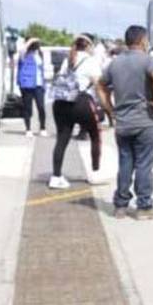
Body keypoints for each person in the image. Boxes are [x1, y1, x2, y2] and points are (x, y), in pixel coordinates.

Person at [96, 26, 153, 218]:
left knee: (125, 162)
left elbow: (100, 85)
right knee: (144, 164)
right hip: (145, 120)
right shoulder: (148, 60)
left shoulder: (114, 63)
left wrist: (110, 110)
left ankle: (121, 204)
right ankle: (144, 206)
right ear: (143, 40)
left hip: (123, 122)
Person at [48, 35, 104, 190]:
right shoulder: (91, 61)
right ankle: (94, 173)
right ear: (88, 46)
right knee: (95, 135)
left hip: (61, 102)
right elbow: (98, 85)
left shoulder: (68, 59)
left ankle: (56, 176)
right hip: (81, 102)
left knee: (62, 139)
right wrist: (102, 106)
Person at [17, 38, 48, 137]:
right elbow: (22, 50)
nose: (36, 45)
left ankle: (42, 127)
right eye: (34, 43)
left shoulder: (39, 54)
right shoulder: (24, 55)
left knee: (41, 107)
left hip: (39, 85)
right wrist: (30, 41)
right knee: (27, 108)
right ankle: (28, 129)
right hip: (27, 85)